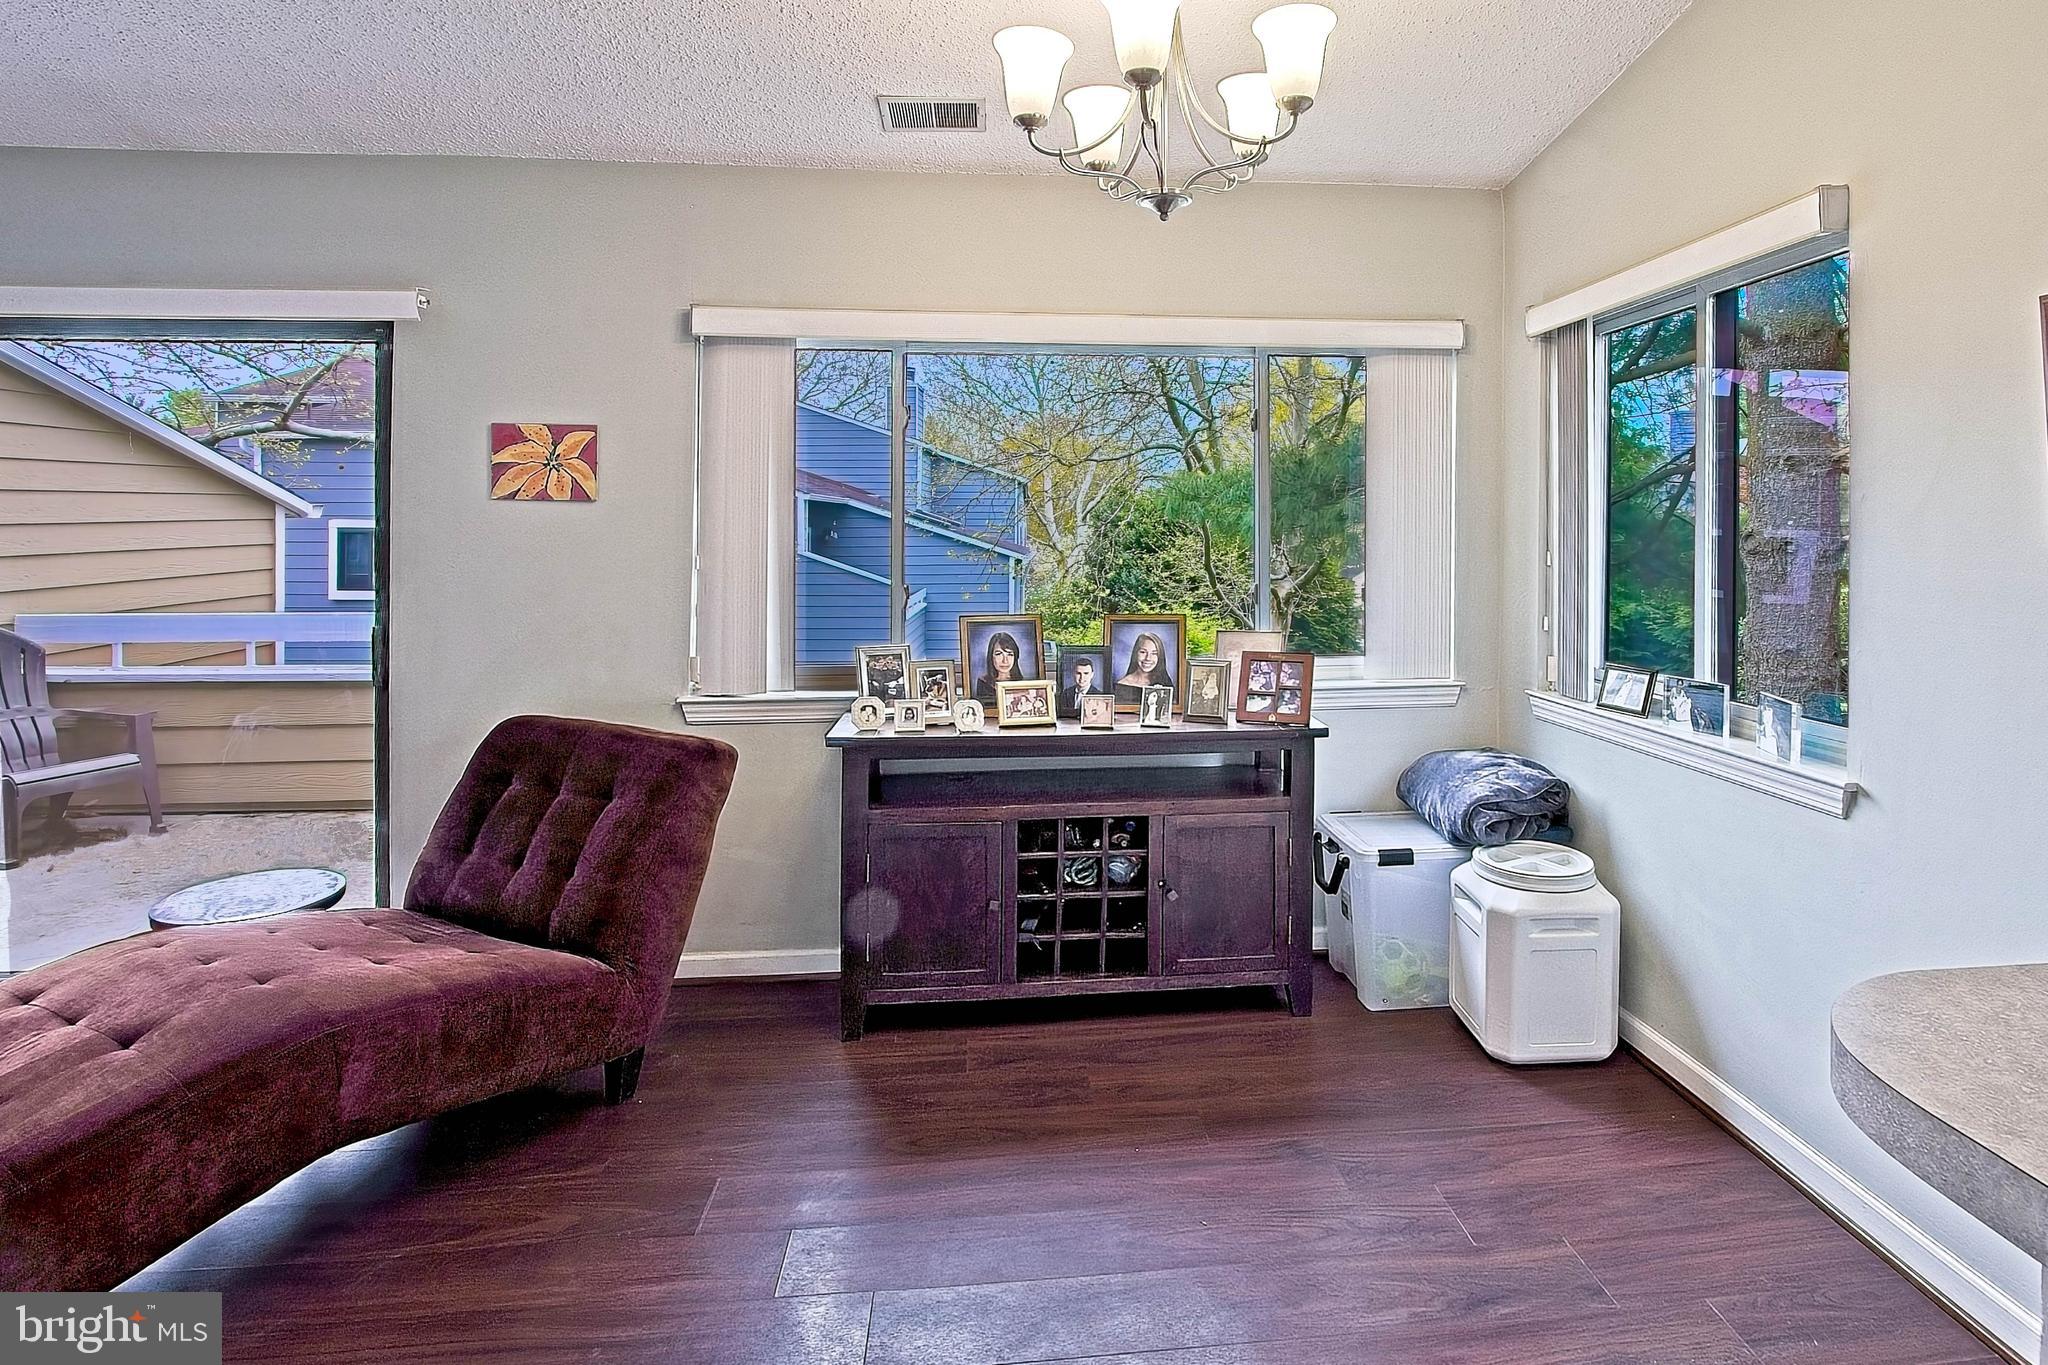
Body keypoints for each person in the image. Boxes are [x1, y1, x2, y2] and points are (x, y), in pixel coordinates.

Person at [1114, 631, 1174, 705]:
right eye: (1143, 652)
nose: (1148, 658)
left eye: (1154, 653)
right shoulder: (1121, 685)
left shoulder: (1166, 683)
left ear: (1160, 656)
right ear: (1135, 653)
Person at [973, 630, 1029, 703]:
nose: (1005, 661)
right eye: (999, 654)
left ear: (1015, 657)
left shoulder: (1023, 682)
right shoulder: (984, 683)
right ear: (991, 656)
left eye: (1010, 654)